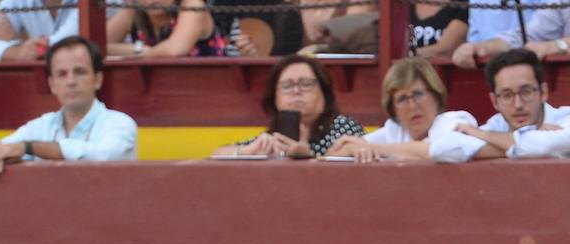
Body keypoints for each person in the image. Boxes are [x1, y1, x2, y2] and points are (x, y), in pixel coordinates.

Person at [0, 36, 137, 181]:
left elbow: (103, 155)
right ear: (52, 85)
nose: (71, 81)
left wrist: (27, 148)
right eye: (62, 74)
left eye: (80, 72)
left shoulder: (120, 123)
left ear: (97, 79)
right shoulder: (42, 125)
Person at [431, 48, 570, 162]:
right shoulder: (496, 125)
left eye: (526, 92)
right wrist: (530, 144)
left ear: (543, 92)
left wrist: (480, 135)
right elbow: (441, 149)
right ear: (495, 101)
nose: (518, 105)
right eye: (507, 95)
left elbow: (550, 145)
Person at [211, 54, 364, 159]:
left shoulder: (343, 126)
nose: (296, 91)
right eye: (287, 86)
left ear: (324, 93)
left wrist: (309, 157)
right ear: (275, 98)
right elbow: (217, 154)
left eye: (306, 84)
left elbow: (345, 169)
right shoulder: (277, 134)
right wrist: (246, 152)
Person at [325, 57, 477, 162]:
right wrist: (353, 148)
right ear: (393, 109)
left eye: (418, 94)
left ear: (436, 95)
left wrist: (370, 148)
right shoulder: (395, 129)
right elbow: (333, 154)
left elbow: (435, 151)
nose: (412, 105)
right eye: (402, 99)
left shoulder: (455, 121)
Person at [106, 0, 225, 57]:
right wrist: (138, 50)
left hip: (209, 90)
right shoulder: (132, 12)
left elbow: (174, 51)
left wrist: (138, 54)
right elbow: (94, 46)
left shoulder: (193, 6)